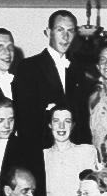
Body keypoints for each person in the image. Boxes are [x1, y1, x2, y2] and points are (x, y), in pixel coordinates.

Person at [13, 10, 91, 148]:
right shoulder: (28, 67)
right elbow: (24, 117)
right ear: (48, 32)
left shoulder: (78, 69)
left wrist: (84, 148)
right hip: (40, 149)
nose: (65, 37)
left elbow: (82, 117)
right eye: (60, 30)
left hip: (74, 150)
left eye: (70, 31)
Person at [42, 104, 98, 196]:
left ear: (72, 125)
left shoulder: (86, 152)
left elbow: (92, 191)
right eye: (56, 121)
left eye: (67, 121)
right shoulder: (43, 156)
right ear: (50, 125)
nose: (61, 126)